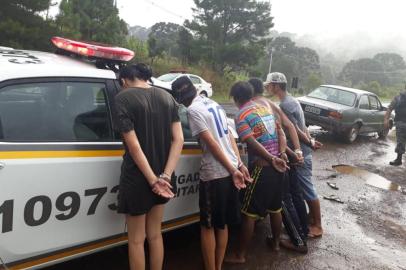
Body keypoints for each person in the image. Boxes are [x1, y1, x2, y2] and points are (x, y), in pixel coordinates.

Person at [171, 76, 251, 270]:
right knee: (221, 224)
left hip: (214, 174)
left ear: (181, 99)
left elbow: (211, 143)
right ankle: (217, 266)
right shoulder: (213, 104)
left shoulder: (192, 110)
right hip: (229, 171)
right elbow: (230, 136)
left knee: (207, 226)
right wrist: (238, 164)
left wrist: (234, 169)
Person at [114, 64, 184, 270]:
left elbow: (134, 147)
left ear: (124, 80)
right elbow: (178, 139)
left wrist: (152, 180)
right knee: (154, 234)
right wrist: (165, 177)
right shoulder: (166, 97)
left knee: (136, 240)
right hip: (164, 178)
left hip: (137, 178)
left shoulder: (123, 98)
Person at [226, 82, 289, 264]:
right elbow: (281, 133)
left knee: (248, 213)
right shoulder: (263, 108)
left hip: (264, 168)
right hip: (280, 167)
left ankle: (240, 255)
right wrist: (281, 154)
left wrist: (270, 159)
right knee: (275, 208)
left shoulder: (241, 115)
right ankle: (276, 244)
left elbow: (251, 141)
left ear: (236, 98)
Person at [248, 78, 308, 253]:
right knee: (292, 198)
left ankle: (298, 241)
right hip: (283, 158)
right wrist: (296, 152)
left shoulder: (254, 106)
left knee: (283, 202)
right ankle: (301, 233)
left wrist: (287, 154)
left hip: (272, 162)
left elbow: (261, 136)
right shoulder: (271, 104)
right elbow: (287, 127)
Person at [265, 72, 323, 238]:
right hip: (303, 152)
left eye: (269, 85)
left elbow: (295, 129)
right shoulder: (291, 100)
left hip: (300, 155)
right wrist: (310, 141)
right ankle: (310, 220)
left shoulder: (286, 105)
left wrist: (308, 144)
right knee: (304, 189)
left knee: (307, 190)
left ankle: (318, 225)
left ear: (276, 86)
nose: (268, 87)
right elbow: (303, 128)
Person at [385, 90, 406, 166]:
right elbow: (390, 108)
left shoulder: (398, 97)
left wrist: (386, 119)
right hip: (400, 123)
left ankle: (398, 160)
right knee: (400, 141)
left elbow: (389, 108)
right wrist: (386, 119)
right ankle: (398, 159)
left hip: (400, 123)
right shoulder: (398, 98)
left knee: (400, 141)